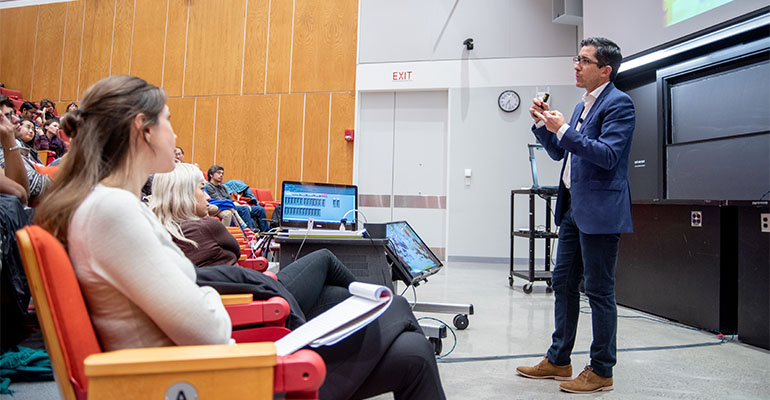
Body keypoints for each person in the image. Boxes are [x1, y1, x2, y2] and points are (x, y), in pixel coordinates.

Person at [34, 75, 443, 400]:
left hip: (196, 368)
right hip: (206, 380)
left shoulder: (106, 205)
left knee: (410, 347)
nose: (175, 135)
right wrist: (204, 296)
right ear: (143, 129)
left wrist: (199, 294)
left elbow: (188, 302)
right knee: (405, 334)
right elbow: (207, 329)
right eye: (169, 120)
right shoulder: (113, 211)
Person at [516, 37, 635, 394]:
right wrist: (543, 125)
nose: (576, 66)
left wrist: (564, 129)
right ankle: (558, 359)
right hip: (572, 210)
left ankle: (601, 370)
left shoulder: (619, 104)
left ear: (605, 70)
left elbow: (608, 155)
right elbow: (560, 153)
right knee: (563, 284)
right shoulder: (583, 105)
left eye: (584, 60)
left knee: (599, 292)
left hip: (599, 213)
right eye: (576, 59)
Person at [206, 164, 269, 232]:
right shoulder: (208, 186)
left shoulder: (222, 187)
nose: (221, 175)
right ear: (211, 175)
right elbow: (221, 201)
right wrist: (241, 206)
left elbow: (231, 199)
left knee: (260, 209)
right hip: (222, 207)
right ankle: (249, 232)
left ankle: (265, 234)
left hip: (231, 205)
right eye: (218, 173)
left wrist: (241, 205)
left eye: (222, 173)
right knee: (244, 209)